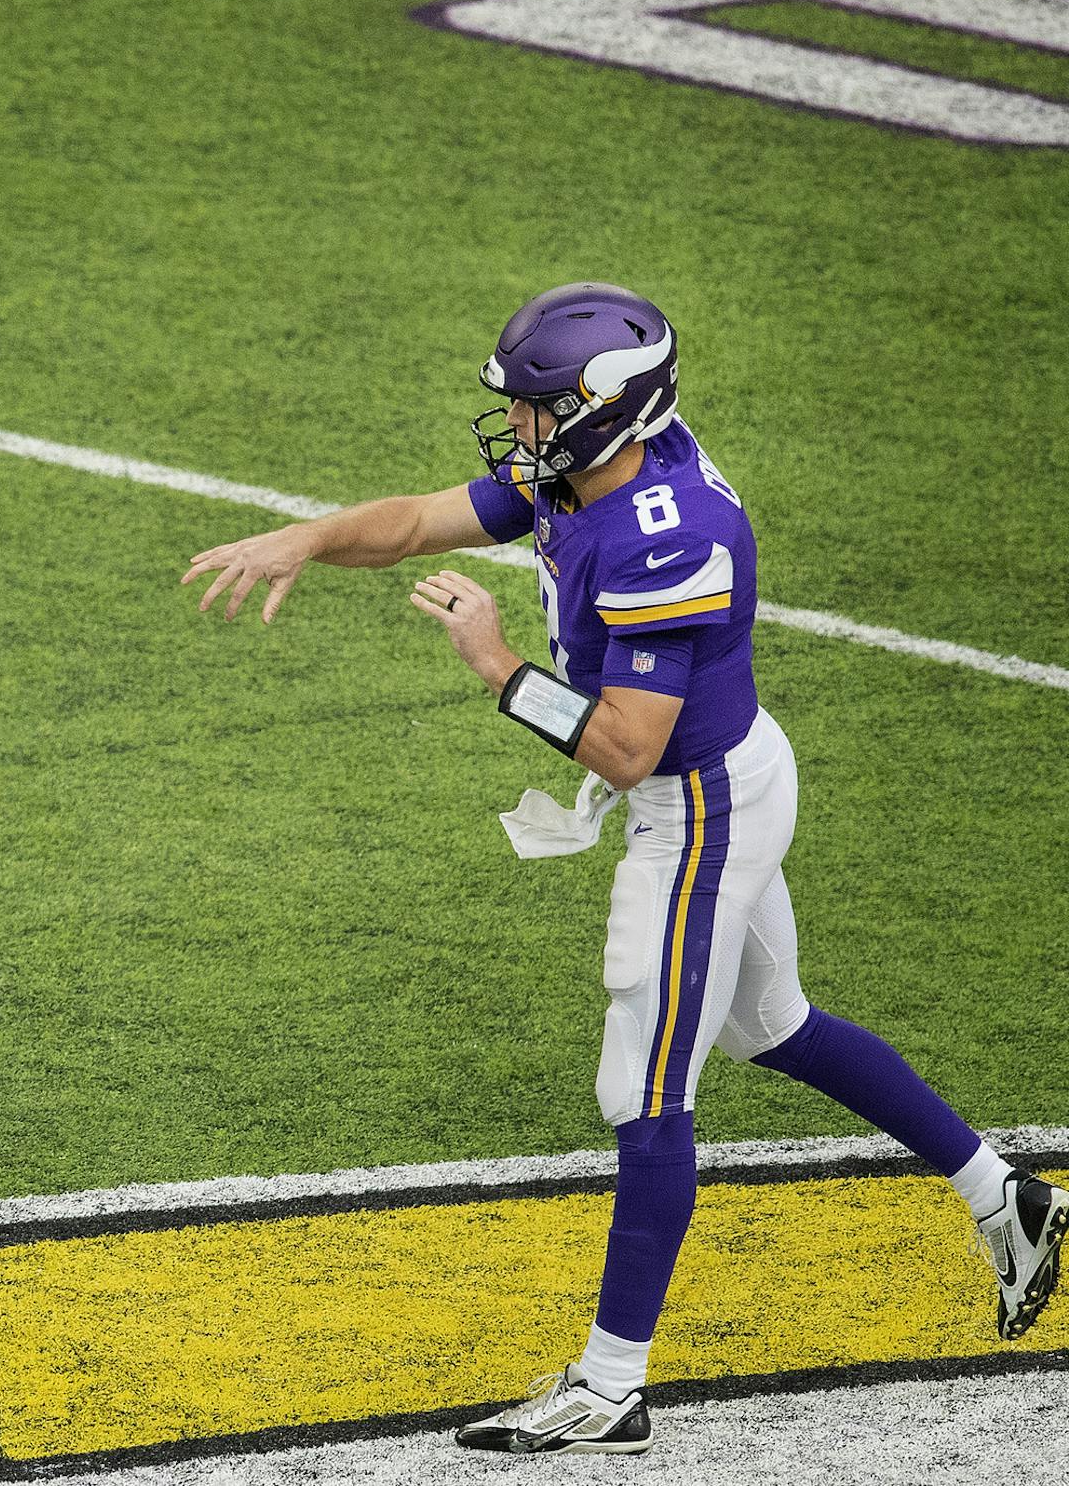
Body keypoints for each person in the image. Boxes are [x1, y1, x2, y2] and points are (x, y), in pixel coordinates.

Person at [183, 281, 1065, 1455]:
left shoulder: (666, 534)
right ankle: (1006, 1196)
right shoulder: (596, 471)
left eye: (541, 410)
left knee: (645, 1092)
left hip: (695, 802)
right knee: (773, 1024)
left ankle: (609, 1385)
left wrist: (497, 665)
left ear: (605, 410)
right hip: (725, 773)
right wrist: (306, 535)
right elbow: (414, 519)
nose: (523, 432)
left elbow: (626, 742)